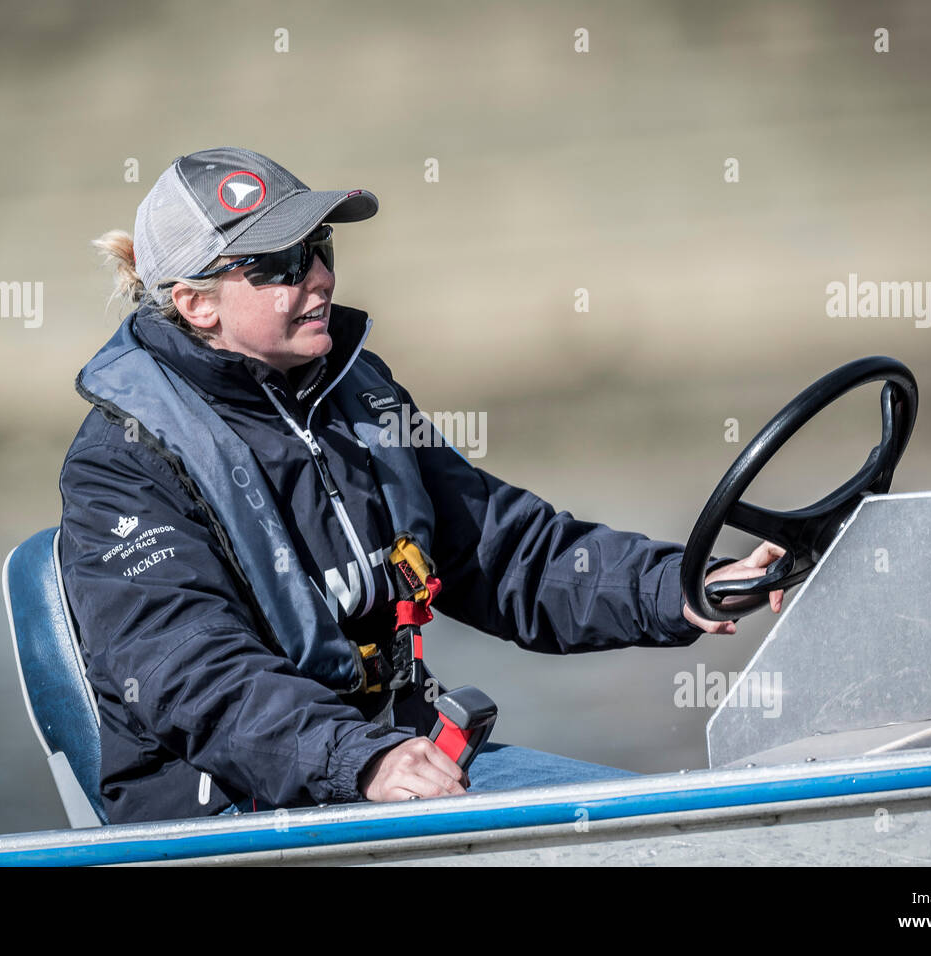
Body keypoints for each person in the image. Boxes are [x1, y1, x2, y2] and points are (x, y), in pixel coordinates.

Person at [57, 146, 784, 824]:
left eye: (319, 250)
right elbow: (192, 674)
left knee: (659, 823)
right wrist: (359, 758)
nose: (317, 278)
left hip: (397, 769)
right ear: (196, 304)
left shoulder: (358, 393)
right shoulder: (120, 465)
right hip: (233, 816)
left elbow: (504, 551)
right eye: (279, 263)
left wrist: (680, 587)